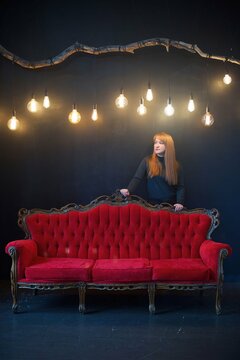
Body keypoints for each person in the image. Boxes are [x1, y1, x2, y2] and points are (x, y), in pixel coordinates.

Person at [120, 132, 185, 211]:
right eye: (155, 143)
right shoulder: (147, 161)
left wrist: (179, 202)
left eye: (161, 143)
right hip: (152, 206)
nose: (157, 145)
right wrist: (128, 190)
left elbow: (180, 187)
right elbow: (137, 178)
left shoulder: (176, 165)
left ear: (168, 146)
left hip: (171, 207)